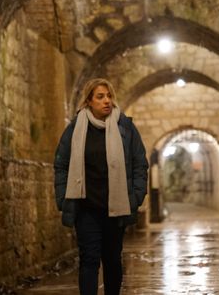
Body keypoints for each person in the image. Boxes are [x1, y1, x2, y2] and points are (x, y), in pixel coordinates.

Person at [53, 78, 149, 295]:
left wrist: (135, 197)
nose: (107, 101)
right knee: (89, 259)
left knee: (113, 260)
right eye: (100, 96)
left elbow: (139, 164)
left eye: (109, 96)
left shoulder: (125, 127)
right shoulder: (75, 129)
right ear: (89, 101)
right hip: (86, 208)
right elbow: (61, 164)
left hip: (116, 208)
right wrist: (63, 197)